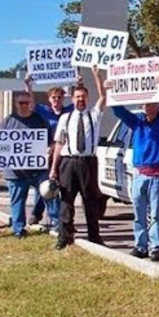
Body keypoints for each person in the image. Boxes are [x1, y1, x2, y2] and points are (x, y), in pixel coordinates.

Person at [111, 86, 159, 261]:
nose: (148, 107)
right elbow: (118, 111)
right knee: (138, 212)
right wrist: (111, 90)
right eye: (145, 104)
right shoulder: (138, 122)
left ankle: (155, 246)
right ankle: (140, 245)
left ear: (158, 105)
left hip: (156, 174)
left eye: (152, 103)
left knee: (155, 213)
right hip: (139, 173)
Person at [50, 77, 106, 249]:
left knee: (90, 200)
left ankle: (94, 236)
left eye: (83, 97)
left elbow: (103, 97)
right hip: (68, 162)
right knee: (66, 200)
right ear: (72, 99)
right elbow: (59, 144)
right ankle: (64, 236)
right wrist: (54, 168)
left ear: (87, 98)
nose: (80, 100)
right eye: (77, 97)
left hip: (88, 162)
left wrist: (96, 75)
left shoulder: (94, 115)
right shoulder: (65, 118)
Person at [24, 75, 75, 232]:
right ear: (49, 99)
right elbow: (30, 103)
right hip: (46, 153)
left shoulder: (68, 111)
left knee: (59, 186)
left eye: (59, 97)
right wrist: (28, 84)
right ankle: (47, 216)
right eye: (53, 97)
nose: (56, 100)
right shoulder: (44, 111)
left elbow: (78, 101)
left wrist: (79, 82)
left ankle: (54, 217)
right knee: (46, 184)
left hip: (64, 152)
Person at [0, 91, 49, 238]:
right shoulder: (8, 121)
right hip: (15, 171)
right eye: (21, 103)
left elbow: (48, 141)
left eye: (27, 103)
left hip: (37, 169)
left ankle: (57, 225)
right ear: (16, 104)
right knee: (17, 201)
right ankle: (19, 230)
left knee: (48, 194)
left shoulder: (39, 120)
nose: (24, 106)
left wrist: (49, 151)